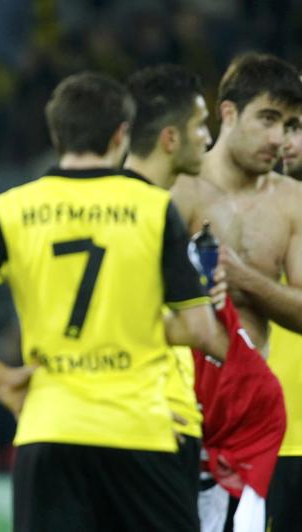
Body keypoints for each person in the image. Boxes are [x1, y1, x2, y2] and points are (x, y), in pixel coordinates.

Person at [0, 71, 230, 531]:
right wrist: (138, 323)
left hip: (51, 428)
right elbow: (202, 331)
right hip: (139, 429)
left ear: (56, 132)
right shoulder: (151, 209)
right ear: (121, 134)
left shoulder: (12, 208)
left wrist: (1, 378)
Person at [127, 63, 287, 532]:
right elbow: (201, 331)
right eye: (200, 126)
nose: (207, 137)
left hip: (209, 423)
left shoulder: (278, 203)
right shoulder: (164, 207)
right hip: (168, 414)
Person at [170, 53, 302, 531]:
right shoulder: (179, 190)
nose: (279, 138)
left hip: (244, 424)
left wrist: (243, 278)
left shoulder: (293, 203)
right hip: (172, 409)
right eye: (267, 118)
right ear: (227, 113)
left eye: (289, 124)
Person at [124, 63, 213, 518]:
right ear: (170, 138)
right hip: (156, 425)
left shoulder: (107, 205)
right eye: (200, 125)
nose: (208, 138)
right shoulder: (147, 214)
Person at [265, 112, 302, 530]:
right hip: (274, 439)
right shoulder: (250, 209)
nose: (285, 141)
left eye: (298, 129)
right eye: (282, 128)